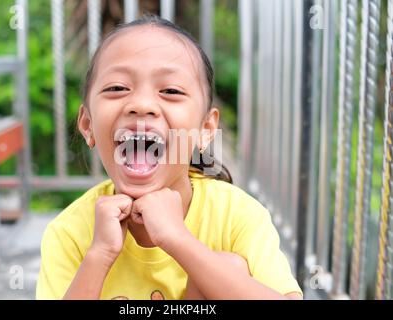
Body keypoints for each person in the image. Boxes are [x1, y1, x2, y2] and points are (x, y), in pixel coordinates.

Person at [36, 14, 302, 300]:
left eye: (171, 91)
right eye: (117, 88)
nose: (141, 104)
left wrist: (177, 239)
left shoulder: (236, 215)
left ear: (205, 129)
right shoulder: (69, 232)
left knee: (229, 267)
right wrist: (99, 255)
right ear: (87, 125)